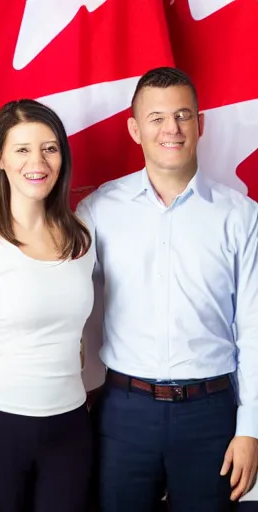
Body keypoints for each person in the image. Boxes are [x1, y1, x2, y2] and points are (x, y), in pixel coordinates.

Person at [76, 66, 258, 512]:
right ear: (135, 129)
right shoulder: (98, 209)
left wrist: (250, 428)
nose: (171, 129)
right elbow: (55, 292)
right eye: (156, 118)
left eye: (182, 115)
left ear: (201, 124)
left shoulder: (241, 216)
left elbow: (254, 326)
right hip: (123, 412)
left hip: (212, 413)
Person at [0, 99, 94, 512]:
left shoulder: (83, 239)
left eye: (50, 147)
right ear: (0, 159)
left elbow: (70, 327)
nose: (37, 161)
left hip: (70, 427)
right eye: (22, 149)